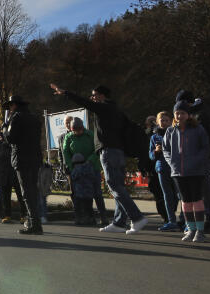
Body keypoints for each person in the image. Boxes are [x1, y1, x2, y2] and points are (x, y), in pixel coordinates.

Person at [50, 83, 148, 235]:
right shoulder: (117, 110)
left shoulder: (104, 107)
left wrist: (65, 92)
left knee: (114, 186)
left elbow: (84, 102)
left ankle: (137, 217)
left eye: (94, 95)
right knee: (118, 187)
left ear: (102, 96)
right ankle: (119, 222)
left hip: (109, 151)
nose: (92, 98)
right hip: (119, 152)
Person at [163, 101, 210, 243]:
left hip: (196, 172)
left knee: (197, 200)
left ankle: (200, 231)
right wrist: (171, 162)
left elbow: (205, 148)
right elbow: (166, 149)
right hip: (178, 172)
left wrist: (196, 161)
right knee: (185, 202)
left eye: (182, 113)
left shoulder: (198, 129)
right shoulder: (170, 131)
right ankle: (191, 229)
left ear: (188, 115)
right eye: (177, 113)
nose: (179, 115)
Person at [174, 90, 210, 233]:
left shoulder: (201, 114)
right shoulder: (186, 114)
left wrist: (199, 155)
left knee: (204, 189)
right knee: (185, 191)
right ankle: (185, 219)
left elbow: (209, 139)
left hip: (200, 159)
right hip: (185, 160)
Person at [3, 95, 43, 235]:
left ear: (14, 105)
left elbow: (10, 138)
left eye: (10, 106)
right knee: (32, 190)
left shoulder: (16, 117)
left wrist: (4, 129)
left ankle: (35, 224)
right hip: (35, 157)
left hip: (22, 158)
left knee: (26, 192)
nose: (10, 109)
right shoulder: (34, 117)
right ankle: (34, 221)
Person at [61, 118, 108, 226]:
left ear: (82, 128)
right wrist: (72, 167)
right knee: (81, 194)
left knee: (97, 193)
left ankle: (103, 216)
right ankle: (86, 217)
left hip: (92, 168)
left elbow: (97, 149)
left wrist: (89, 161)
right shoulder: (69, 137)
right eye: (74, 131)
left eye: (78, 130)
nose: (77, 132)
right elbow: (66, 153)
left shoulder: (90, 135)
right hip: (77, 170)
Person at [149, 111, 182, 232]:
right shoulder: (154, 137)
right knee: (167, 195)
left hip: (176, 167)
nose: (164, 122)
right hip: (162, 168)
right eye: (161, 120)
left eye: (166, 120)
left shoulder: (176, 133)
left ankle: (183, 220)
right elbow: (151, 156)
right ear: (157, 122)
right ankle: (171, 220)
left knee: (179, 195)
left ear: (171, 121)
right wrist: (156, 151)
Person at [0, 125, 19, 224]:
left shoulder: (15, 146)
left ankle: (24, 215)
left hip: (16, 175)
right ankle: (7, 215)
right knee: (5, 197)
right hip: (3, 176)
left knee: (21, 195)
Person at [69, 153, 99, 226]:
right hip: (89, 191)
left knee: (78, 207)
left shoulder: (76, 169)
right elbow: (93, 177)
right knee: (89, 207)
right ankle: (91, 219)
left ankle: (79, 219)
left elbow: (73, 177)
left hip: (79, 192)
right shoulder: (89, 167)